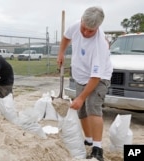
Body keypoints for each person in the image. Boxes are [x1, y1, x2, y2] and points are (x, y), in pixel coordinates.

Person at [57, 6, 113, 161]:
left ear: (98, 27)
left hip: (99, 77)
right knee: (81, 111)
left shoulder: (100, 44)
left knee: (92, 107)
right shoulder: (76, 25)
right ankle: (88, 139)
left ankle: (97, 149)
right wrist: (61, 52)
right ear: (81, 20)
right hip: (81, 76)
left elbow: (95, 77)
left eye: (91, 31)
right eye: (84, 28)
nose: (86, 33)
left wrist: (81, 97)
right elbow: (66, 37)